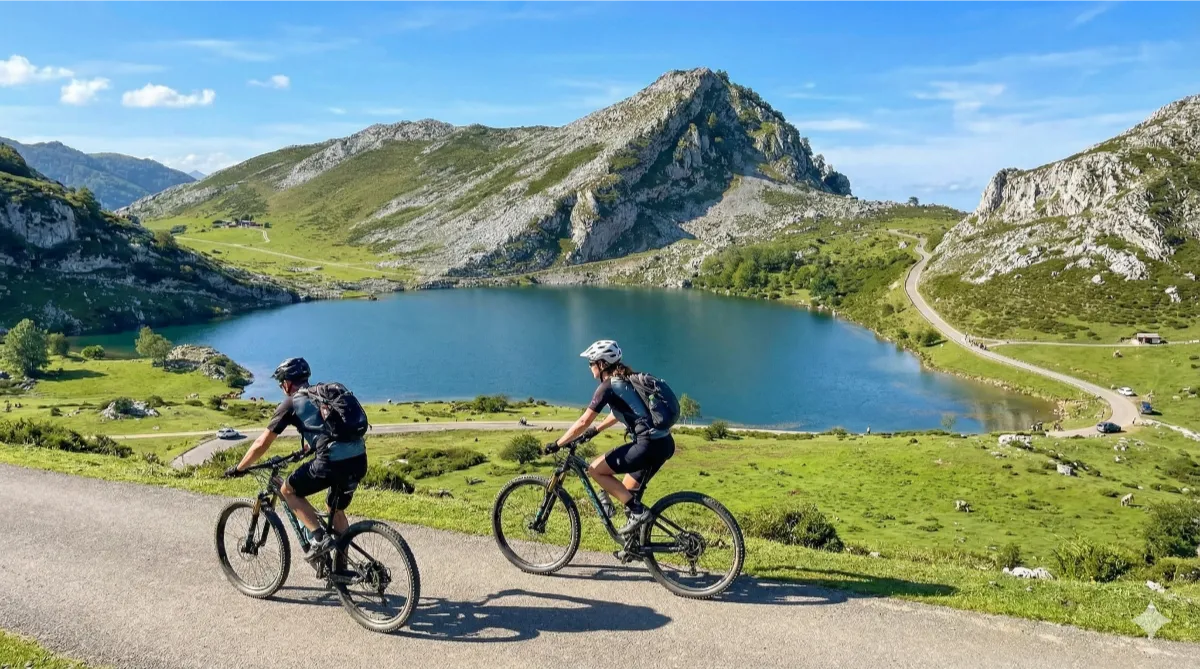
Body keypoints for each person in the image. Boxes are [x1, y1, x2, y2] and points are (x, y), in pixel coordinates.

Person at [224, 357, 368, 560]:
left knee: (287, 490)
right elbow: (327, 430)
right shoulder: (321, 395)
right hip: (359, 459)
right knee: (334, 510)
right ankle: (342, 567)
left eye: (281, 382)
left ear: (287, 382)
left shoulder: (291, 403)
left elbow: (262, 444)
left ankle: (319, 539)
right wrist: (307, 450)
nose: (281, 386)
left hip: (331, 462)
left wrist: (239, 468)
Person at [545, 340, 675, 536]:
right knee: (627, 494)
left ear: (602, 364)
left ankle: (639, 513)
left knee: (595, 470)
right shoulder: (626, 378)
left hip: (647, 445)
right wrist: (596, 430)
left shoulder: (607, 387)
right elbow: (621, 411)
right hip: (664, 443)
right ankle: (633, 546)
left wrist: (557, 444)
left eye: (592, 362)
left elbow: (583, 421)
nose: (589, 367)